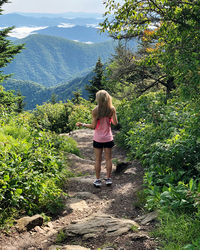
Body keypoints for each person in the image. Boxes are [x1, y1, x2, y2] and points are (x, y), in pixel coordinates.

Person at [76, 90, 118, 187]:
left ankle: (98, 180)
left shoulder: (95, 110)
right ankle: (108, 179)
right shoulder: (112, 109)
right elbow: (115, 123)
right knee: (108, 159)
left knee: (98, 160)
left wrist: (82, 124)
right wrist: (112, 116)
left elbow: (93, 126)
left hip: (98, 139)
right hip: (108, 138)